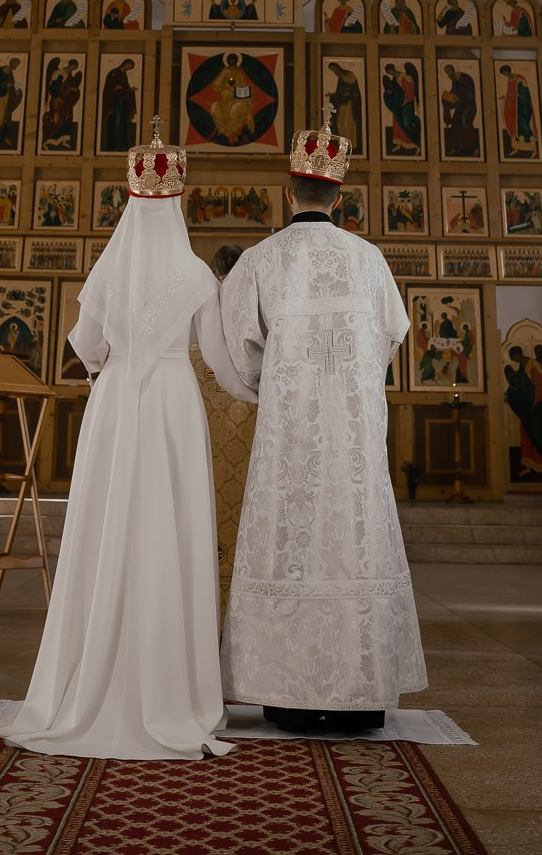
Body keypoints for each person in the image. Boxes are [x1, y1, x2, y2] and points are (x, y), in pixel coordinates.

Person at [0, 120, 253, 759]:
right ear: (178, 204)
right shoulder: (196, 275)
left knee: (109, 530)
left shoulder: (107, 271)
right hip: (172, 404)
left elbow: (86, 348)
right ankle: (173, 691)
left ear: (131, 204)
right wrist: (263, 393)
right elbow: (220, 365)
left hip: (114, 407)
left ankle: (89, 676)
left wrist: (116, 362)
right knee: (169, 528)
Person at [219, 106, 426, 732]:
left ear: (288, 192)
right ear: (340, 195)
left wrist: (278, 387)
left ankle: (284, 694)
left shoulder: (261, 259)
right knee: (352, 541)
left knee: (288, 544)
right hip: (354, 438)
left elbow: (240, 348)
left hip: (289, 434)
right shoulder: (369, 260)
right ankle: (361, 695)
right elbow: (391, 336)